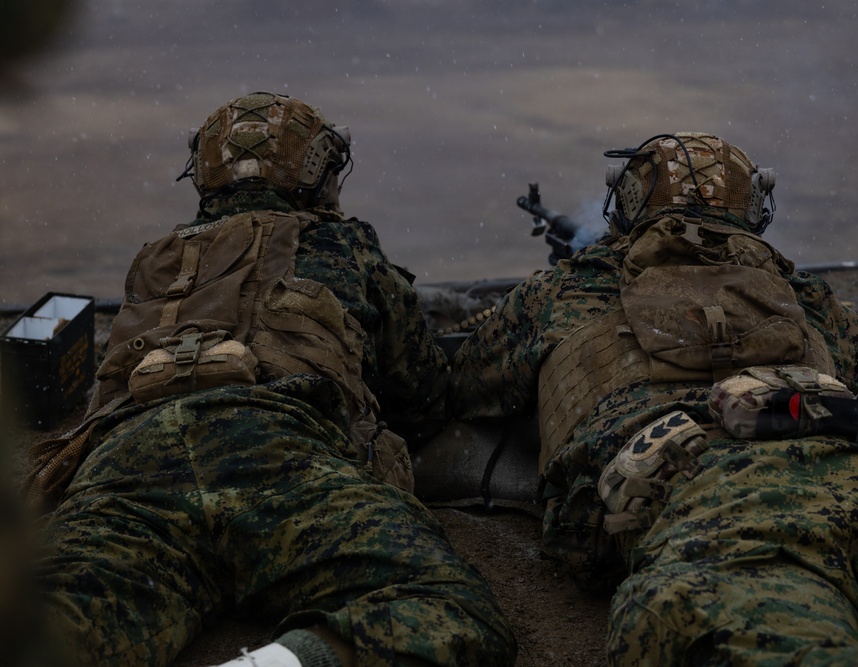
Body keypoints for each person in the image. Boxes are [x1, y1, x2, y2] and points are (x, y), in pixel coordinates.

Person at [449, 132, 858, 665]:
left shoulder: (563, 289)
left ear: (628, 199)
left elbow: (462, 387)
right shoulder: (795, 290)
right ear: (754, 205)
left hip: (708, 494)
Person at [21, 92, 516, 667]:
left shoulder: (157, 259)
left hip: (130, 460)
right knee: (446, 608)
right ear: (316, 173)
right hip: (279, 450)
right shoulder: (345, 245)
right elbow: (425, 398)